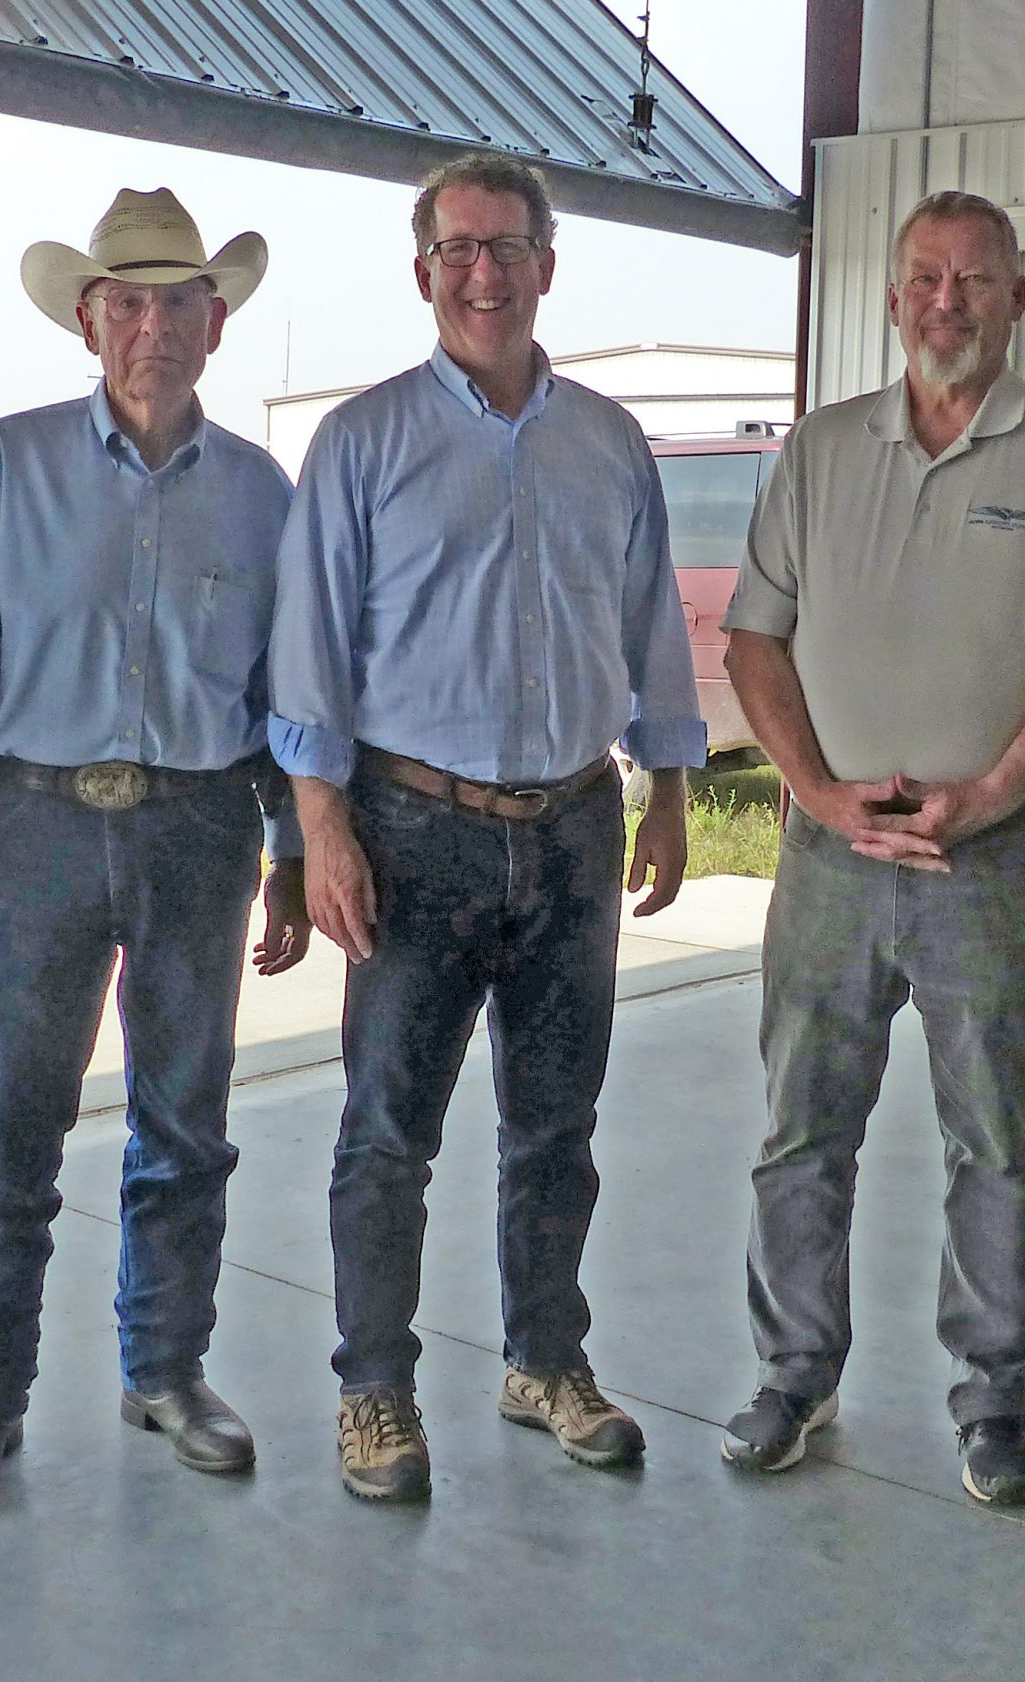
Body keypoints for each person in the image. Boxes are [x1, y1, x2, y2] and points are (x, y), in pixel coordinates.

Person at [270, 151, 706, 1503]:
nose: (484, 273)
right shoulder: (363, 442)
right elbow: (309, 652)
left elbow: (649, 624)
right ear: (424, 274)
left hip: (574, 824)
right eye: (458, 249)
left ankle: (545, 1362)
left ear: (546, 266)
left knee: (556, 1124)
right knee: (387, 1130)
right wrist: (323, 828)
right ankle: (374, 1390)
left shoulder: (609, 442)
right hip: (414, 828)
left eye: (508, 247)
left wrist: (670, 786)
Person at [717, 191, 1025, 1503]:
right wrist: (813, 792)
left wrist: (996, 789)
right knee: (802, 1133)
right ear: (893, 298)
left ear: (1016, 298)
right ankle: (794, 1374)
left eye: (974, 280)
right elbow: (753, 638)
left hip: (992, 860)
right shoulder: (819, 449)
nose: (947, 302)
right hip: (832, 862)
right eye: (925, 278)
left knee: (997, 1142)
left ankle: (994, 1399)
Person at [0, 189, 309, 1511]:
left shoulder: (261, 494)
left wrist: (293, 848)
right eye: (128, 304)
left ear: (216, 324)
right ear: (88, 321)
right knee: (11, 1122)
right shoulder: (11, 462)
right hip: (38, 827)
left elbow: (290, 692)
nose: (153, 329)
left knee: (186, 1121)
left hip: (202, 829)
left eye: (179, 303)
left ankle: (167, 1370)